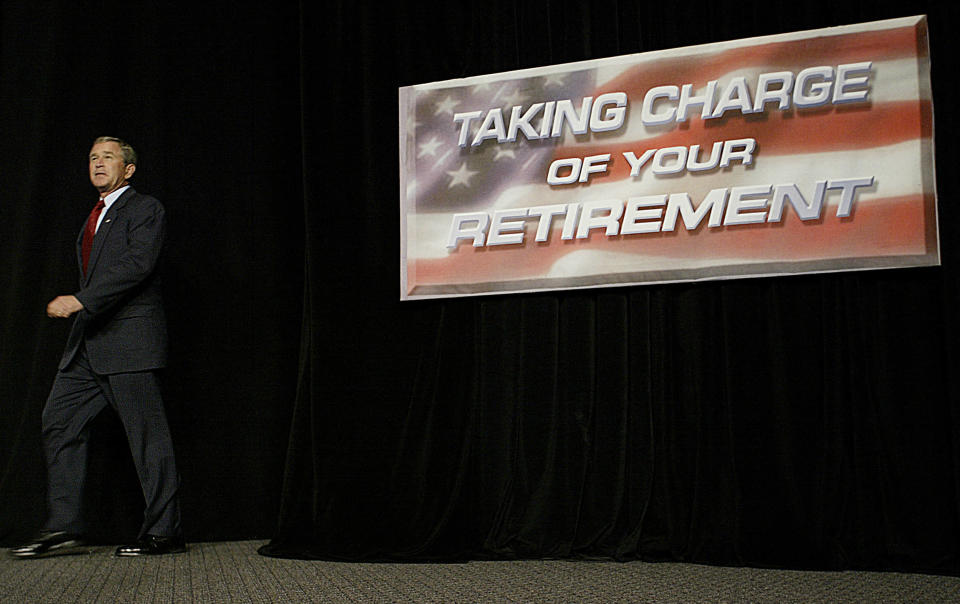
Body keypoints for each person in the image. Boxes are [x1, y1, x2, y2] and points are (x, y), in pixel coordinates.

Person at [10, 137, 185, 558]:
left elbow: (137, 265)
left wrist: (81, 299)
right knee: (59, 422)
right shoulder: (95, 216)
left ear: (129, 169)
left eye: (108, 157)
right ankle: (65, 528)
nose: (98, 163)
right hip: (88, 345)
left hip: (129, 341)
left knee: (147, 438)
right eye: (92, 157)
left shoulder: (145, 209)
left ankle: (166, 531)